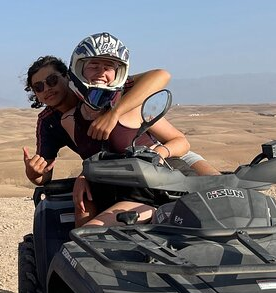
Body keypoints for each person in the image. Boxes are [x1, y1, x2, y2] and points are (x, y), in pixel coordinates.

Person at [60, 32, 211, 226]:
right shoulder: (69, 119)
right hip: (115, 190)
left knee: (90, 234)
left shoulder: (131, 106)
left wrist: (158, 153)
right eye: (93, 65)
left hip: (153, 188)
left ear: (118, 73)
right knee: (81, 239)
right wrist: (83, 174)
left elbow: (181, 141)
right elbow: (93, 155)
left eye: (109, 67)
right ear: (79, 68)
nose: (101, 72)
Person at [22, 55, 218, 188]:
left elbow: (161, 75)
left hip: (170, 153)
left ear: (67, 76)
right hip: (122, 171)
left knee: (223, 190)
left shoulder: (100, 89)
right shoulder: (50, 122)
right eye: (38, 87)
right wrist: (34, 173)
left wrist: (113, 114)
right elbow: (44, 174)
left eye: (52, 80)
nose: (46, 88)